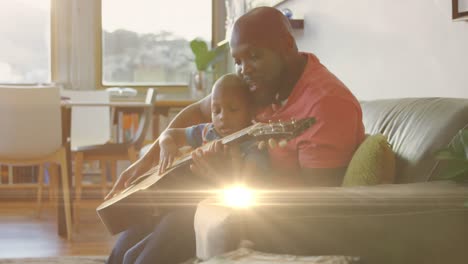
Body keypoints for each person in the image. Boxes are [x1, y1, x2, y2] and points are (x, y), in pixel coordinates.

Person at [106, 6, 365, 263]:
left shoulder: (326, 104)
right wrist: (146, 162)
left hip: (266, 217)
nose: (244, 69)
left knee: (141, 257)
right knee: (123, 248)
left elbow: (314, 206)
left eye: (254, 56)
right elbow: (198, 110)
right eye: (238, 61)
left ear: (287, 45)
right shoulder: (258, 85)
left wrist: (225, 177)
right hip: (218, 194)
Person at [107, 74, 269, 264]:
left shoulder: (254, 147)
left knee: (136, 258)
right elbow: (170, 135)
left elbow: (244, 190)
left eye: (233, 110)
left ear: (250, 111)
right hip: (178, 201)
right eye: (216, 110)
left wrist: (220, 171)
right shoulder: (209, 131)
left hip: (198, 210)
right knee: (125, 252)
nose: (223, 117)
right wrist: (166, 144)